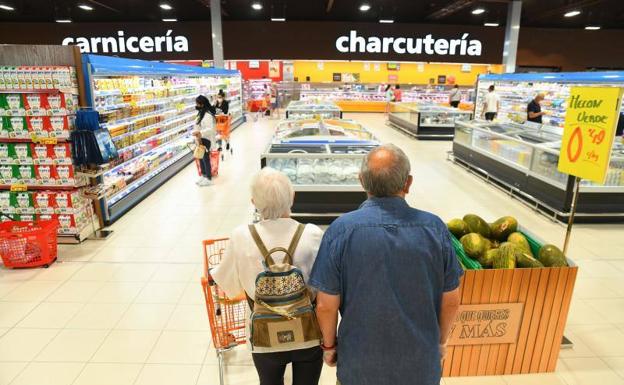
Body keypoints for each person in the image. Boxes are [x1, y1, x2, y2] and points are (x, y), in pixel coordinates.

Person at [310, 144, 463, 385]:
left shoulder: (340, 230)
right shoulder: (435, 229)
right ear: (408, 183)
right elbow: (451, 300)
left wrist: (329, 346)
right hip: (419, 365)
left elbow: (325, 306)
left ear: (362, 181)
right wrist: (439, 343)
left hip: (360, 366)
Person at [212, 167, 325, 385]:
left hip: (264, 337)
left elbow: (230, 287)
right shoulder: (312, 234)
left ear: (254, 201)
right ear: (292, 197)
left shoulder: (241, 236)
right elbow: (325, 287)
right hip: (308, 331)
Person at [193, 95, 217, 186]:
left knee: (205, 158)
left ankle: (209, 178)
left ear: (202, 104)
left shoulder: (207, 115)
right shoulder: (201, 113)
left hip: (206, 139)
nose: (196, 105)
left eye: (197, 104)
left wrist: (200, 133)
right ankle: (203, 175)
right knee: (200, 157)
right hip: (200, 139)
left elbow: (210, 129)